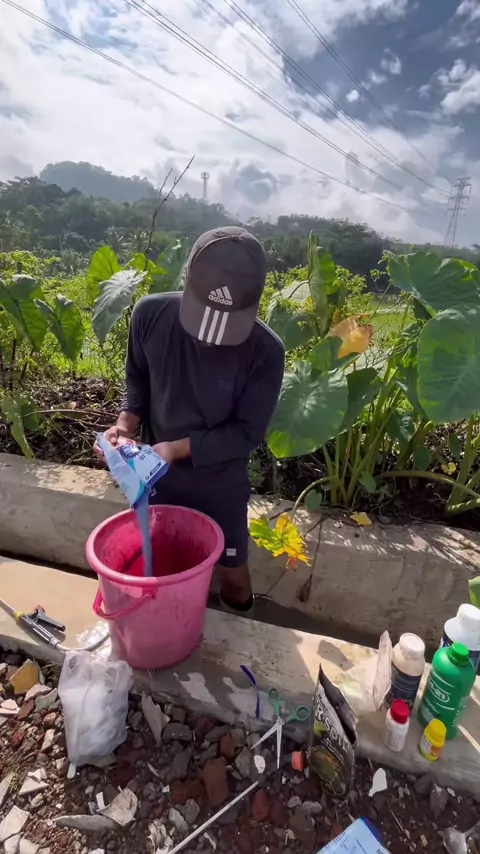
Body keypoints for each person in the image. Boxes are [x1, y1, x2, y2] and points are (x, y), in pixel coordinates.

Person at [95, 226, 285, 614]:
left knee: (235, 576)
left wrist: (176, 449)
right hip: (156, 477)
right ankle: (169, 623)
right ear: (188, 280)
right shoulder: (150, 315)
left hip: (220, 483)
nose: (210, 338)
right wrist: (125, 425)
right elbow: (138, 378)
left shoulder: (266, 351)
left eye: (227, 325)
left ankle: (237, 624)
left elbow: (247, 433)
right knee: (157, 564)